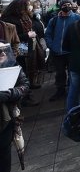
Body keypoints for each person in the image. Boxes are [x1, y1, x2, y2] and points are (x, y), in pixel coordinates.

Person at [0, 42, 29, 172]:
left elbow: (24, 85)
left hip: (5, 120)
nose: (3, 53)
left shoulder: (12, 65)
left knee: (4, 155)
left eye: (4, 50)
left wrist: (10, 93)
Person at [45, 0, 80, 102]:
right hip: (57, 51)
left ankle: (71, 90)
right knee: (59, 73)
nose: (67, 6)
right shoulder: (54, 20)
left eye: (69, 4)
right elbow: (48, 34)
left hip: (71, 52)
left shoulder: (77, 18)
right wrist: (51, 45)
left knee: (72, 73)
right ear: (60, 6)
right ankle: (60, 90)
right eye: (65, 4)